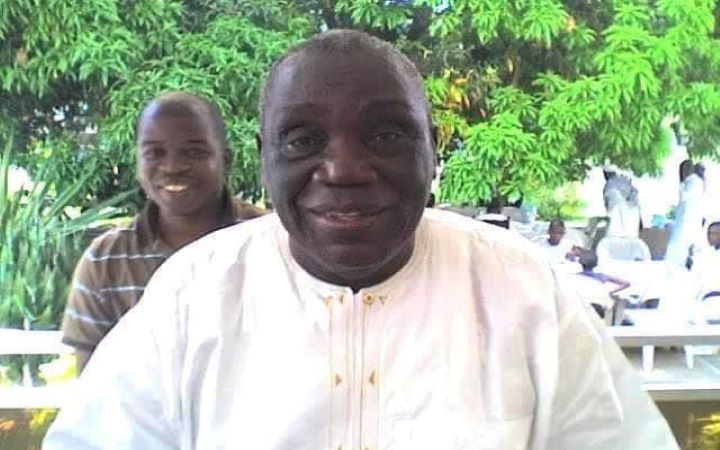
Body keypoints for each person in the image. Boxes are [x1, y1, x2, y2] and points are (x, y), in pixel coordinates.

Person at [44, 30, 678, 449]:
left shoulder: (524, 292)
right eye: (303, 139)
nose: (344, 169)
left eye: (386, 135)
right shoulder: (191, 295)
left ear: (433, 149)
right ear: (264, 157)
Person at [60, 91, 266, 371]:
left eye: (194, 152)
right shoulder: (106, 261)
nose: (173, 167)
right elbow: (92, 381)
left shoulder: (270, 241)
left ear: (226, 160)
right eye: (155, 153)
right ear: (138, 162)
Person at [665, 159, 705, 267]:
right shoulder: (692, 181)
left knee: (679, 248)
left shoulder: (694, 181)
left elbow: (684, 197)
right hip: (685, 221)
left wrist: (681, 185)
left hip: (687, 222)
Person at [602, 165, 641, 238]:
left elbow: (608, 205)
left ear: (606, 174)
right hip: (631, 219)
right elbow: (635, 198)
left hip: (619, 217)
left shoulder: (609, 185)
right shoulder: (626, 181)